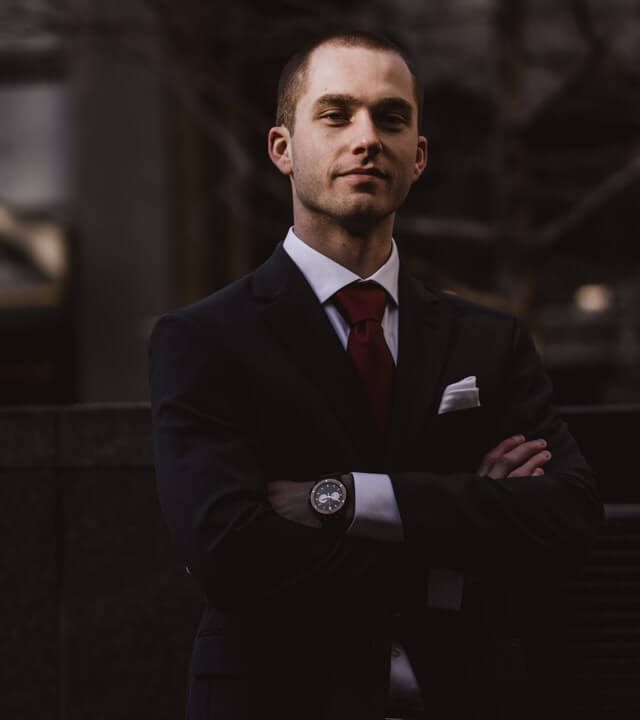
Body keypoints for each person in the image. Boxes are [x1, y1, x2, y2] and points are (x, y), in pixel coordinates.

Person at [148, 30, 602, 720]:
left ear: (418, 157)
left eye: (391, 119)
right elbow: (228, 557)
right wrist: (460, 541)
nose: (367, 138)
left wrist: (345, 499)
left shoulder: (491, 339)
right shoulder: (205, 340)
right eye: (335, 115)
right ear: (283, 148)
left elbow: (567, 518)